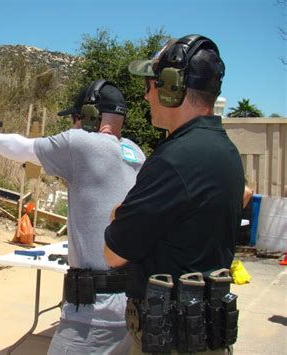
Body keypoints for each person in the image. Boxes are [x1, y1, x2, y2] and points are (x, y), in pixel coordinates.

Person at [0, 80, 145, 354]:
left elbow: (25, 148)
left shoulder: (82, 143)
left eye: (75, 118)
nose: (73, 126)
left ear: (90, 115)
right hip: (130, 305)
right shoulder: (135, 152)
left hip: (93, 310)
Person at [103, 35, 245, 354]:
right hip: (204, 336)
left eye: (150, 84)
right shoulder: (226, 151)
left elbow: (113, 252)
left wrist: (118, 212)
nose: (145, 95)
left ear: (171, 87)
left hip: (169, 340)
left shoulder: (173, 159)